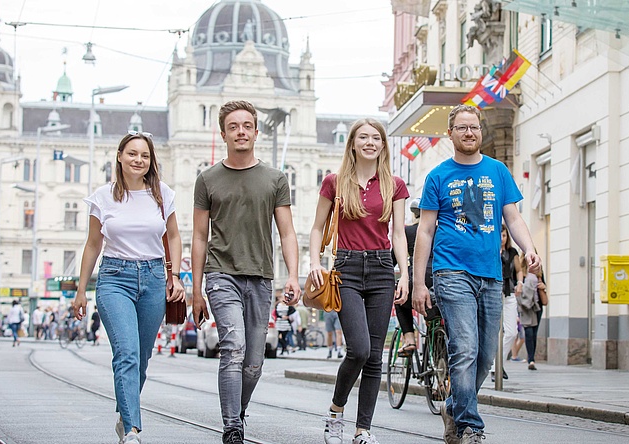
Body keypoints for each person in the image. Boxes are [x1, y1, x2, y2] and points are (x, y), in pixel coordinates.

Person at [412, 104, 540, 444]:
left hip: (491, 275)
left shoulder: (498, 171)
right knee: (464, 349)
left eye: (474, 127)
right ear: (450, 133)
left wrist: (529, 248)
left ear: (480, 132)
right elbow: (425, 231)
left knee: (485, 356)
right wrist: (418, 283)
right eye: (462, 128)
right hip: (451, 272)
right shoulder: (438, 175)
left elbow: (512, 218)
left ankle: (453, 407)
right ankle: (471, 426)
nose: (469, 133)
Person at [191, 100, 301, 444]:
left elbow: (286, 232)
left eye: (247, 126)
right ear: (223, 133)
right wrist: (196, 289)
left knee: (254, 363)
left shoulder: (275, 178)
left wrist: (293, 277)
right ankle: (232, 427)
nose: (241, 131)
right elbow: (198, 236)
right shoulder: (207, 179)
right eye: (233, 126)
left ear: (256, 131)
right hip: (221, 273)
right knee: (233, 346)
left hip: (261, 277)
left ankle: (237, 413)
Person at [71, 131, 185, 444]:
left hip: (152, 278)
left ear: (151, 161)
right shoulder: (102, 196)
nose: (138, 160)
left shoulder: (162, 194)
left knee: (143, 357)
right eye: (132, 154)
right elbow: (93, 244)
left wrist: (175, 277)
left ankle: (125, 413)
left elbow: (174, 236)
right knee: (127, 353)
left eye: (144, 156)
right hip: (114, 278)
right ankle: (132, 430)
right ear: (120, 156)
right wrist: (81, 290)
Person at [309, 118, 410, 444]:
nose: (370, 142)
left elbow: (397, 233)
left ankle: (362, 429)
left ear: (383, 144)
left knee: (376, 356)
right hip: (347, 269)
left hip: (382, 268)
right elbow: (316, 228)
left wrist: (404, 273)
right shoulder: (334, 182)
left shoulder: (394, 184)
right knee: (359, 349)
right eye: (363, 137)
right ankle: (336, 412)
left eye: (375, 137)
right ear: (352, 143)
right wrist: (314, 264)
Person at [393, 198, 434, 356]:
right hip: (439, 279)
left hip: (415, 278)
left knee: (400, 301)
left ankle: (410, 340)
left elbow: (392, 260)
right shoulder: (440, 229)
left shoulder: (407, 232)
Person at [496, 224, 524, 379]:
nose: (502, 239)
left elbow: (519, 270)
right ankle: (496, 367)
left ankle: (497, 364)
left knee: (512, 332)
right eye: (500, 235)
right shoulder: (490, 250)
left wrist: (520, 283)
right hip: (492, 293)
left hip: (509, 293)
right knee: (495, 332)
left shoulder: (512, 252)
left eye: (505, 236)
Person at [518, 256, 546, 371]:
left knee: (534, 333)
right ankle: (531, 359)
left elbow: (543, 285)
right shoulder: (521, 271)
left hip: (536, 305)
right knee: (528, 333)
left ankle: (532, 357)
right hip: (525, 306)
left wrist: (543, 287)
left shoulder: (539, 270)